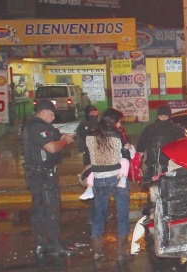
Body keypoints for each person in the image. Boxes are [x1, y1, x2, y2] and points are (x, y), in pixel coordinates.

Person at [22, 99, 76, 257]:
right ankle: (55, 244)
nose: (54, 117)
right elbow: (52, 148)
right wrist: (64, 141)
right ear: (44, 112)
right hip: (42, 173)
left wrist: (63, 137)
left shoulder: (39, 126)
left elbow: (53, 137)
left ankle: (41, 243)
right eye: (52, 114)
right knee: (51, 207)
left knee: (40, 208)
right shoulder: (37, 126)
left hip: (38, 172)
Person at [86, 108, 135, 261]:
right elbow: (126, 156)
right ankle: (121, 252)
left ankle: (97, 251)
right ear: (114, 121)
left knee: (99, 214)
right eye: (119, 121)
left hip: (98, 178)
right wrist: (130, 148)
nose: (121, 124)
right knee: (122, 214)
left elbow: (89, 155)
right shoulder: (117, 134)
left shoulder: (92, 134)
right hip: (117, 177)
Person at [136, 104, 185, 182]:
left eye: (165, 117)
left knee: (169, 183)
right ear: (157, 116)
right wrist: (140, 159)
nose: (163, 119)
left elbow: (182, 145)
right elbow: (141, 144)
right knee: (153, 183)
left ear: (169, 117)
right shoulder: (150, 129)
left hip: (170, 162)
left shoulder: (176, 129)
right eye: (161, 117)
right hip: (152, 163)